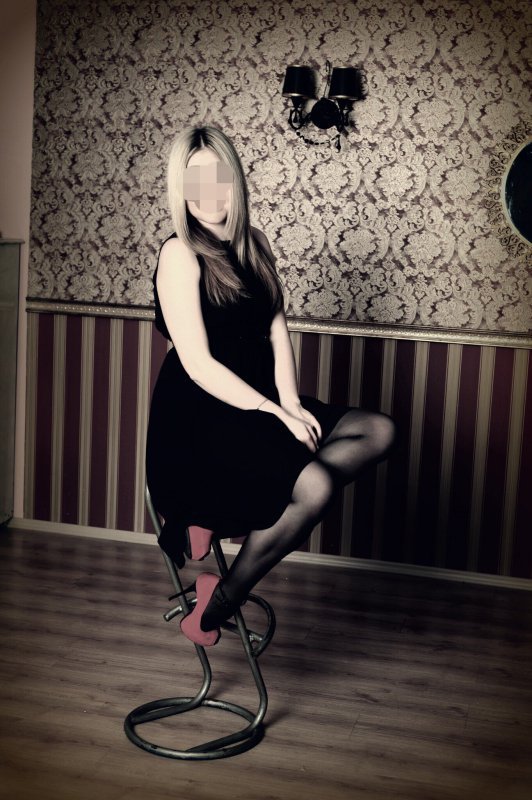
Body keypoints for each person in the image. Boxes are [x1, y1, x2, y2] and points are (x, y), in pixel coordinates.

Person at [146, 125, 395, 647]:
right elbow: (198, 365)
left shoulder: (255, 243)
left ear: (235, 181)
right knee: (314, 487)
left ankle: (220, 518)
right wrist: (275, 413)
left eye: (218, 178)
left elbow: (277, 330)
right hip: (201, 418)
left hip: (261, 400)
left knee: (377, 430)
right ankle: (216, 601)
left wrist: (290, 403)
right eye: (195, 182)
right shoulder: (179, 254)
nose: (208, 193)